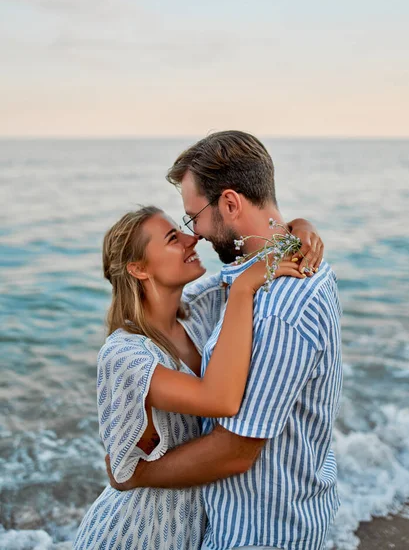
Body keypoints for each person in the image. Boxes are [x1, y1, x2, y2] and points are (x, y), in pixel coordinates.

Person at [108, 131, 342, 550]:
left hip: (261, 532)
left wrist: (137, 474)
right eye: (179, 230)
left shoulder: (274, 307)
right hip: (180, 527)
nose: (194, 233)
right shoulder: (249, 285)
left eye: (192, 216)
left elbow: (235, 449)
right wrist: (296, 230)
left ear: (230, 203)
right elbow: (231, 282)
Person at [74, 203, 319, 550]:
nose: (194, 238)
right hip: (132, 533)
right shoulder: (125, 356)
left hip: (190, 531)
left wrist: (302, 228)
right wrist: (242, 291)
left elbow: (270, 241)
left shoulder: (199, 308)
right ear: (139, 268)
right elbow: (219, 399)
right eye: (174, 237)